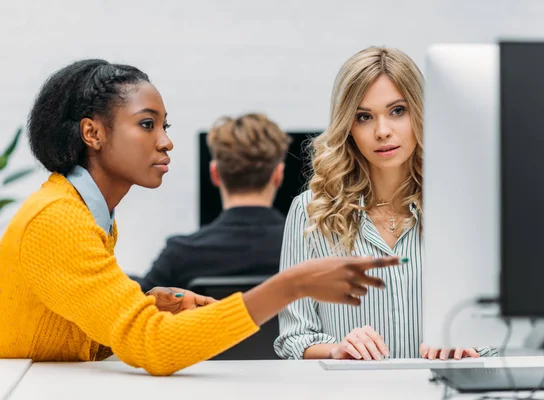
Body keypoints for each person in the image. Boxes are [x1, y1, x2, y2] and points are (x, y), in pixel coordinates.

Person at [0, 59, 403, 375]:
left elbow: (72, 336)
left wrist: (148, 304)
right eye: (147, 124)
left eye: (164, 125)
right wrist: (291, 285)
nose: (166, 140)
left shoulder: (86, 215)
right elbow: (152, 347)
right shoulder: (58, 219)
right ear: (93, 134)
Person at [274, 47, 496, 361]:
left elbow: (498, 334)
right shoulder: (311, 211)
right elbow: (294, 338)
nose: (382, 131)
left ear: (419, 112)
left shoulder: (463, 210)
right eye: (364, 117)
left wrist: (468, 345)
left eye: (397, 111)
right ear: (348, 127)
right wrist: (337, 349)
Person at [132, 113, 291, 293]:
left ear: (214, 174)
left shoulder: (180, 254)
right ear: (279, 175)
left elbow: (140, 303)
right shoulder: (307, 250)